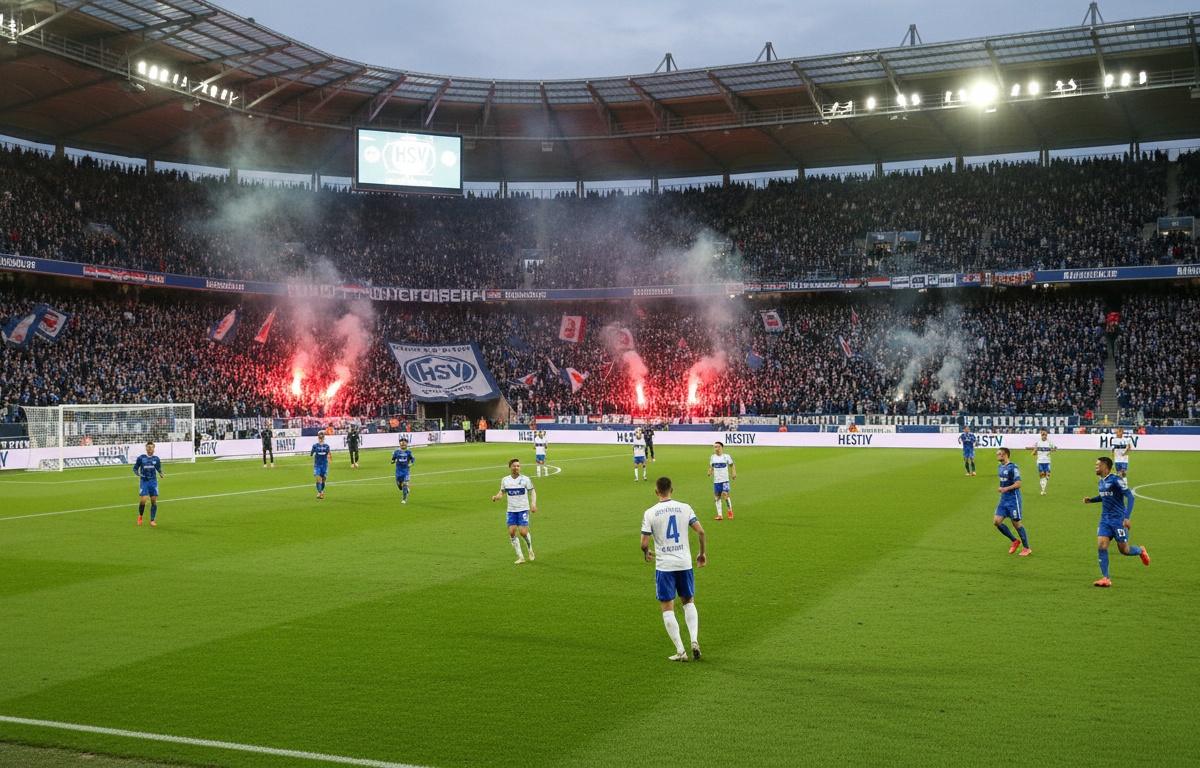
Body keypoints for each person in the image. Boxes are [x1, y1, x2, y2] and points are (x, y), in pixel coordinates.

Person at [640, 476, 706, 662]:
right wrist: (701, 553)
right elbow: (701, 532)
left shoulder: (650, 513)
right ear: (672, 489)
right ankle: (694, 640)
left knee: (667, 608)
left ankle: (681, 651)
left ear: (656, 491)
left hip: (665, 566)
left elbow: (644, 543)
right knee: (688, 601)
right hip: (684, 563)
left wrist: (647, 551)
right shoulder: (685, 508)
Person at [1084, 456, 1149, 587]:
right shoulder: (1101, 482)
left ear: (1105, 467)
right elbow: (1105, 497)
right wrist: (1092, 500)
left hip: (1119, 520)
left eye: (1098, 465)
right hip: (1105, 520)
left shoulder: (1117, 480)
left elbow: (1130, 497)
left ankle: (1141, 550)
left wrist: (1127, 517)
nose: (1096, 467)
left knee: (1124, 550)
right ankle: (1105, 578)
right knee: (1102, 546)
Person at [492, 458, 536, 564]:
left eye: (518, 466)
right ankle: (521, 557)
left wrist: (533, 504)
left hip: (523, 509)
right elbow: (502, 492)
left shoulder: (525, 479)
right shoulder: (505, 480)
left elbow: (532, 491)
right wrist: (497, 497)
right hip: (511, 510)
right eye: (514, 466)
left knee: (523, 533)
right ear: (510, 467)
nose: (516, 468)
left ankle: (530, 550)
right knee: (512, 533)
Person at [993, 447, 1031, 555]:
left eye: (1000, 454)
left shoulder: (1013, 467)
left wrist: (1005, 489)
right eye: (997, 454)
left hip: (1013, 500)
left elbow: (1019, 484)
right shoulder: (1000, 466)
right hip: (1003, 500)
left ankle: (1027, 548)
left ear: (1006, 454)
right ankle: (1014, 540)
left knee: (1017, 524)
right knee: (997, 522)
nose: (998, 455)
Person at [133, 441, 164, 527]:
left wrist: (161, 473)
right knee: (143, 500)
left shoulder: (156, 459)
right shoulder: (141, 458)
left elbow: (158, 467)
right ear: (146, 448)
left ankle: (152, 520)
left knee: (153, 500)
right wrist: (138, 474)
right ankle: (141, 515)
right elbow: (135, 468)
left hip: (153, 482)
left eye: (152, 447)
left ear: (154, 448)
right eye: (149, 447)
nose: (150, 449)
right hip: (144, 481)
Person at [708, 441, 736, 519]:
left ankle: (730, 510)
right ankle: (720, 515)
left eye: (718, 447)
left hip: (724, 479)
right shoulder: (713, 457)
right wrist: (710, 471)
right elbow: (712, 466)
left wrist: (734, 473)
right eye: (715, 447)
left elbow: (731, 465)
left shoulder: (726, 457)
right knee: (717, 496)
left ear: (722, 448)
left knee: (725, 494)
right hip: (716, 480)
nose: (717, 449)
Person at [1027, 428, 1058, 495]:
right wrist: (1034, 452)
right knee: (1041, 474)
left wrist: (1052, 449)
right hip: (1040, 461)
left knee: (1047, 474)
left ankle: (1044, 484)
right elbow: (1034, 452)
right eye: (1042, 434)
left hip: (1047, 460)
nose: (1044, 435)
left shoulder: (1049, 442)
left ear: (1046, 434)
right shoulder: (1038, 442)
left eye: (1045, 434)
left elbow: (1055, 448)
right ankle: (1043, 489)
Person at [392, 437, 415, 503]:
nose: (403, 443)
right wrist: (393, 461)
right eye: (401, 441)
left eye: (404, 442)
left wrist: (412, 463)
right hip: (398, 471)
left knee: (404, 483)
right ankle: (406, 488)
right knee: (399, 485)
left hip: (405, 470)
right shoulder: (397, 452)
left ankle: (404, 499)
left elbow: (413, 459)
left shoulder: (408, 452)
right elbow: (393, 458)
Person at [310, 430, 331, 499]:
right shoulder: (315, 446)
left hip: (324, 464)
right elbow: (312, 453)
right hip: (318, 464)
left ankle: (320, 492)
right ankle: (320, 492)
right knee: (318, 478)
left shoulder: (326, 446)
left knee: (323, 479)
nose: (321, 437)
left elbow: (311, 454)